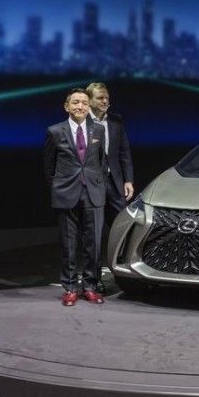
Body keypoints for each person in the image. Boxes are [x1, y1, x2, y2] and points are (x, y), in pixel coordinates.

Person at [44, 87, 108, 306]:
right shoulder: (55, 131)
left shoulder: (98, 130)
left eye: (84, 103)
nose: (80, 106)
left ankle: (90, 287)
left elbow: (101, 162)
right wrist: (57, 188)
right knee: (69, 244)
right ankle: (70, 288)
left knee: (94, 244)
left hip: (93, 193)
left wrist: (99, 185)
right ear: (67, 106)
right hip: (66, 193)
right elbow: (49, 166)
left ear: (88, 107)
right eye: (75, 102)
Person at [86, 82, 134, 269]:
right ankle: (94, 272)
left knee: (123, 224)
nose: (105, 101)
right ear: (90, 100)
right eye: (100, 98)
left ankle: (123, 265)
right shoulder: (82, 122)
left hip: (114, 181)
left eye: (107, 98)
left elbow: (124, 151)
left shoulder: (116, 120)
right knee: (94, 229)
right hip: (92, 183)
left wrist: (128, 180)